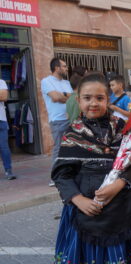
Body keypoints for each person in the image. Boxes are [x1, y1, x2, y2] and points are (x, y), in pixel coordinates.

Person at [52, 72, 131, 263]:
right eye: (87, 98)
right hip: (87, 207)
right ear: (78, 100)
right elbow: (62, 174)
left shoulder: (121, 127)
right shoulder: (73, 133)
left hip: (125, 200)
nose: (93, 103)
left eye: (99, 98)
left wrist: (119, 183)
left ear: (108, 99)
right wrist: (78, 200)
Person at [41, 58, 72, 186]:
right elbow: (55, 97)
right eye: (64, 66)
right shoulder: (46, 81)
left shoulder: (66, 82)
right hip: (58, 120)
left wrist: (62, 96)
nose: (66, 68)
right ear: (56, 68)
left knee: (71, 148)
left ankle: (68, 173)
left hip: (70, 118)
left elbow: (73, 98)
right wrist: (66, 96)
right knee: (59, 148)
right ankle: (55, 177)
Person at [0, 79, 16, 180]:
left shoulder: (1, 82)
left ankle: (8, 170)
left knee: (4, 147)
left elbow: (4, 97)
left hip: (1, 119)